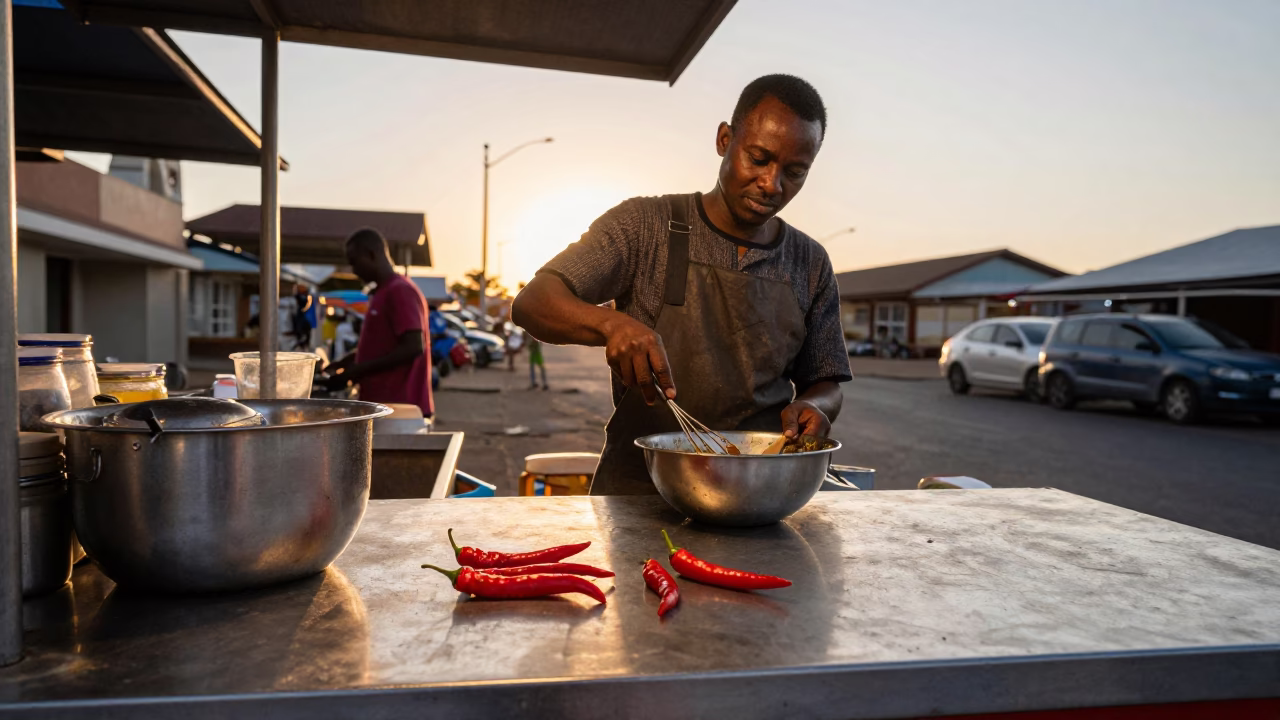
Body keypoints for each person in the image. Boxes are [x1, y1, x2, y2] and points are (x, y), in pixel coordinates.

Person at [512, 74, 851, 495]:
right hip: (642, 488)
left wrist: (814, 407)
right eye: (759, 158)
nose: (772, 184)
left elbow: (826, 382)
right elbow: (533, 302)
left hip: (758, 492)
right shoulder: (644, 226)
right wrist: (610, 325)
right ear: (725, 139)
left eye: (795, 172)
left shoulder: (809, 261)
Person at [323, 228, 433, 417]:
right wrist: (349, 361)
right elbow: (385, 346)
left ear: (371, 254)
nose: (354, 270)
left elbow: (413, 347)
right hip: (385, 407)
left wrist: (356, 371)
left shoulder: (399, 290)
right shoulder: (382, 292)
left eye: (354, 262)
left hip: (402, 410)